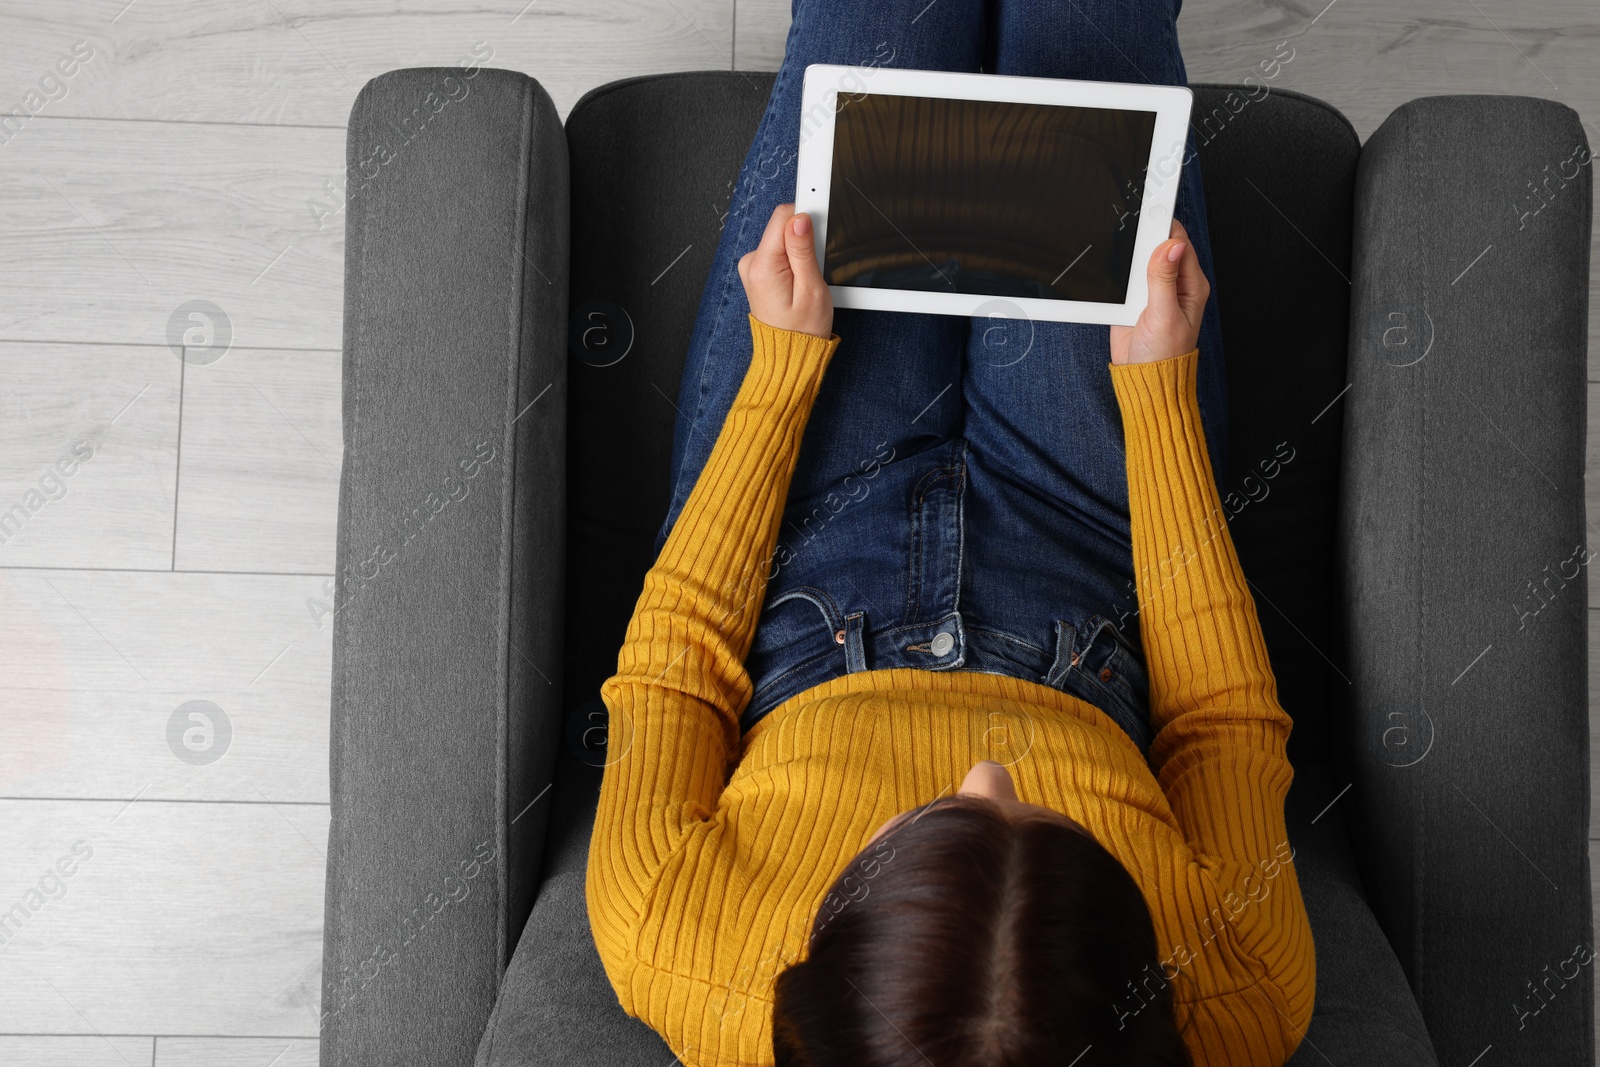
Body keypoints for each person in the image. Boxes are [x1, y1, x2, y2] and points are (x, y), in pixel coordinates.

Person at [585, 0, 1315, 1064]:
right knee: (1087, 32)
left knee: (880, 26)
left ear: (818, 959)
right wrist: (1156, 395)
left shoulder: (675, 939)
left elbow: (672, 681)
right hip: (1096, 565)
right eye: (1058, 830)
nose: (989, 774)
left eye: (933, 822)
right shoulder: (1236, 993)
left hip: (810, 549)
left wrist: (780, 374)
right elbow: (1220, 724)